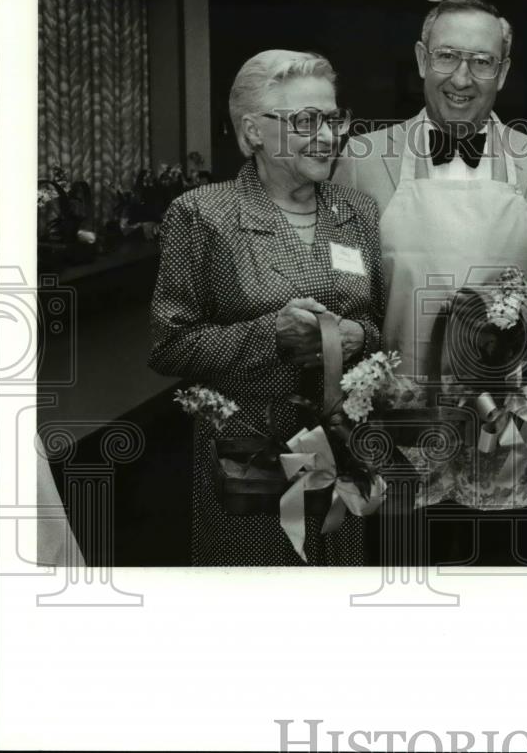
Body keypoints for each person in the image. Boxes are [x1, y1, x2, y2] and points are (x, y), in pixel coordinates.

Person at [333, 0, 527, 562]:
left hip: (506, 427)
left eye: (481, 61)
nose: (462, 78)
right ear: (421, 59)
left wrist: (511, 311)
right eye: (446, 57)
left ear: (505, 70)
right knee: (399, 577)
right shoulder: (362, 158)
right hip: (398, 422)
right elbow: (343, 284)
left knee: (501, 580)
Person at [149, 50, 383, 566]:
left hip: (340, 443)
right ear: (254, 131)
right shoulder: (201, 215)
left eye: (333, 118)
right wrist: (269, 336)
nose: (328, 135)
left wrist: (359, 338)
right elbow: (169, 346)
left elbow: (375, 325)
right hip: (251, 447)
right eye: (305, 121)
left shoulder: (358, 213)